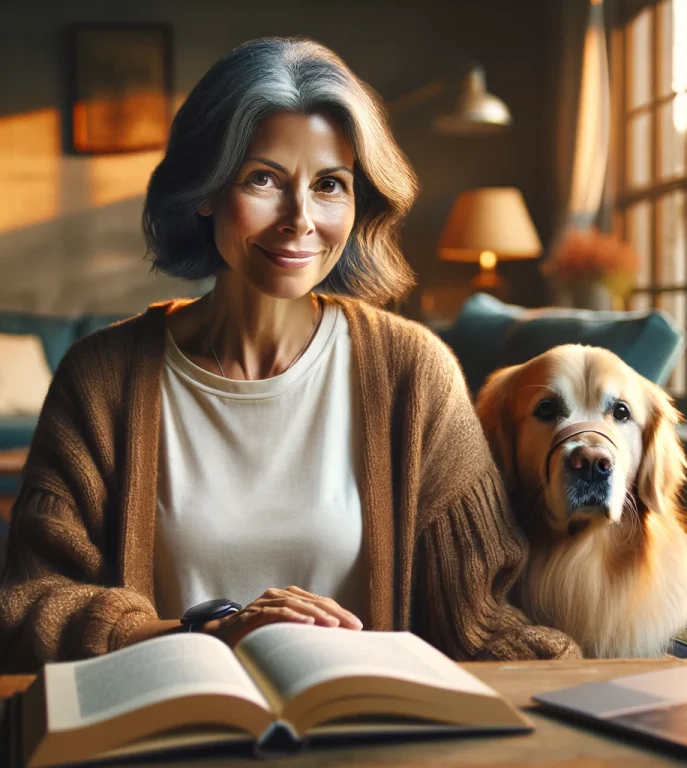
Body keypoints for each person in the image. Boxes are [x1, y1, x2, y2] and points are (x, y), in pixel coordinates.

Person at [0, 38, 579, 672]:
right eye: (263, 179)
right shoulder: (99, 378)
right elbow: (31, 607)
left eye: (330, 184)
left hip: (359, 729)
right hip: (167, 730)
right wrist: (214, 633)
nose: (300, 218)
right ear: (205, 189)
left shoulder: (415, 372)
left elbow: (485, 622)